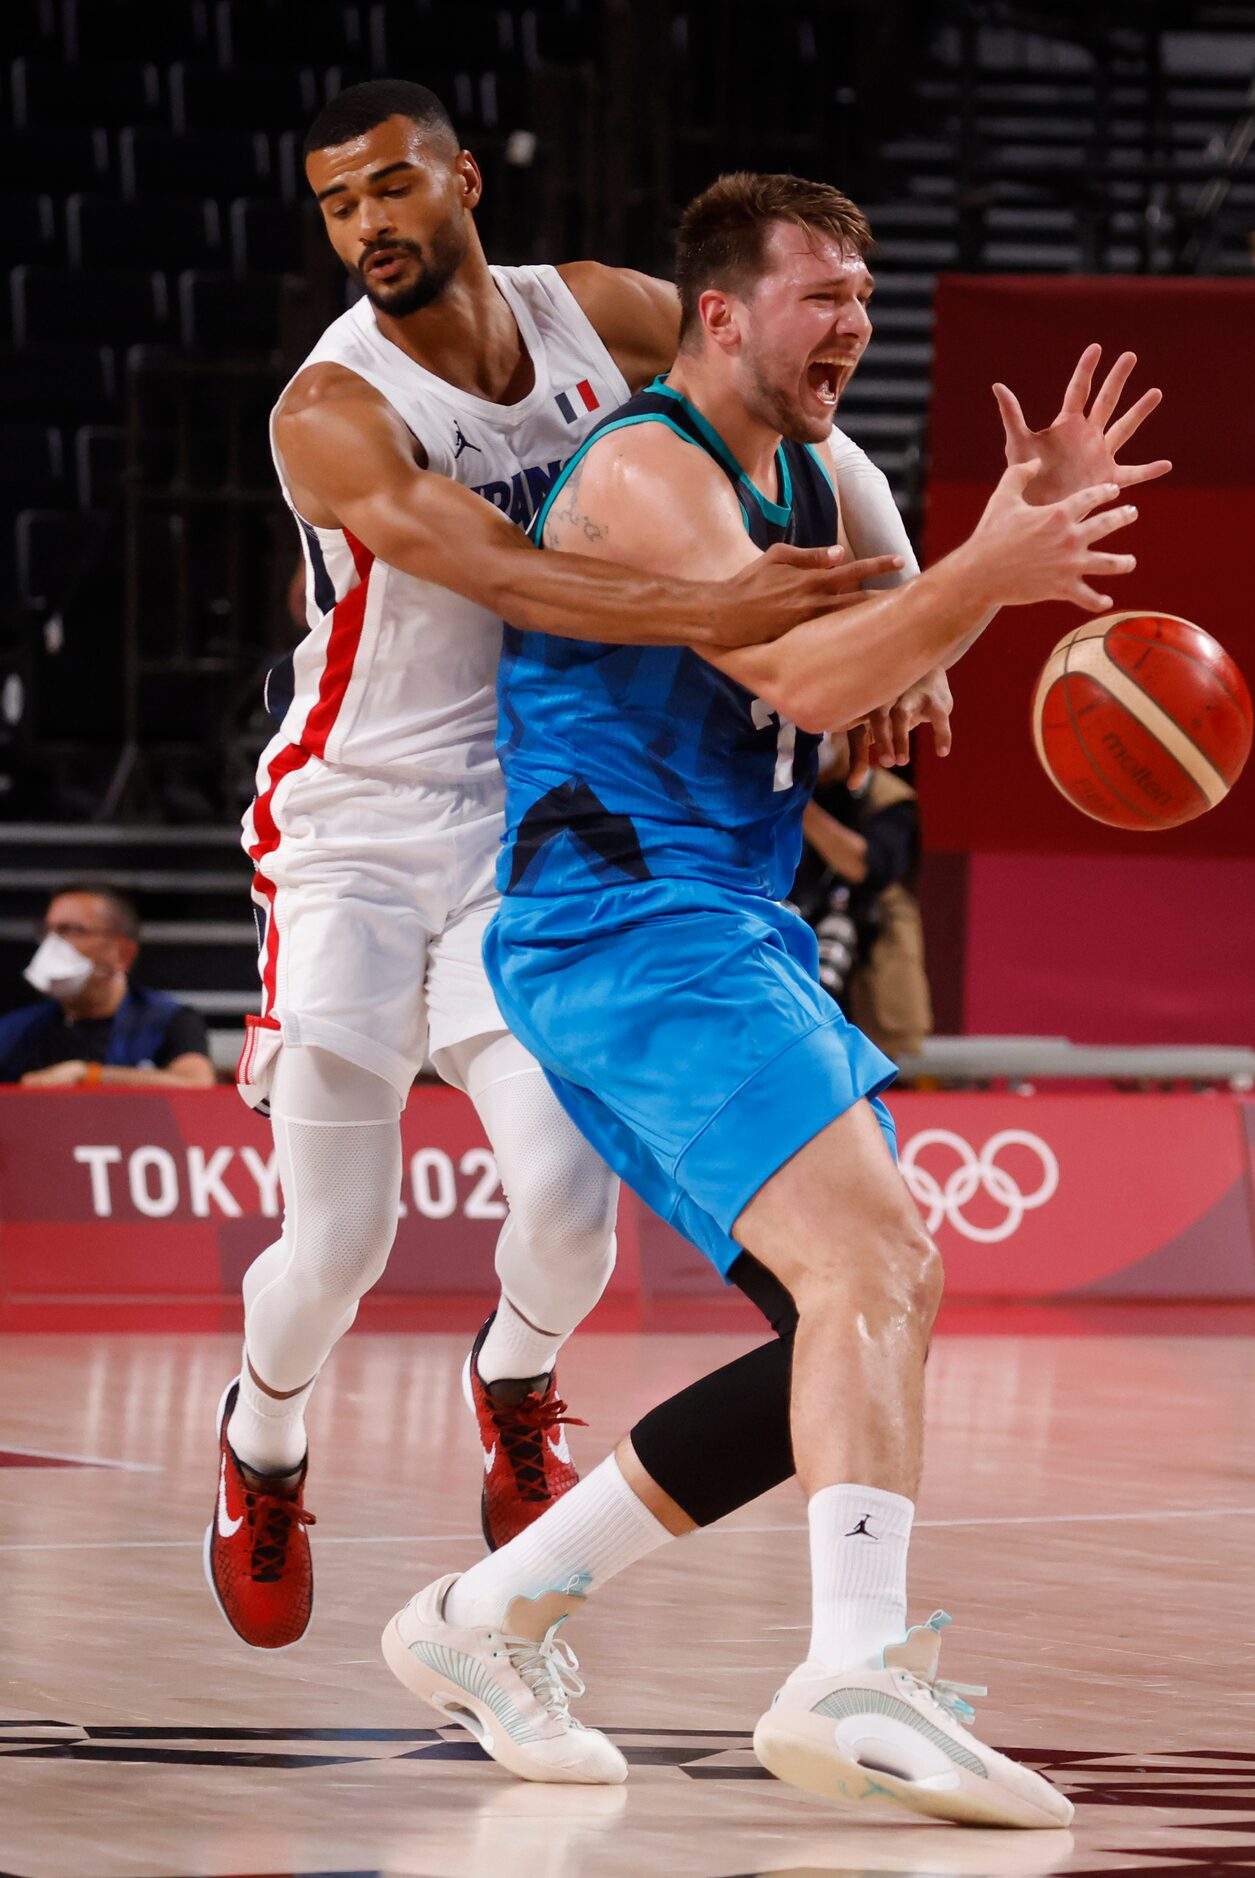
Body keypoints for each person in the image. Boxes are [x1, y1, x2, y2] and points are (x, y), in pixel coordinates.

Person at [382, 171, 1168, 1822]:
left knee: (843, 1317)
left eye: (869, 296)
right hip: (624, 922)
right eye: (824, 294)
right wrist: (972, 576)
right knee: (874, 1263)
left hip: (712, 916)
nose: (855, 326)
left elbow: (845, 677)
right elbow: (798, 673)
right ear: (721, 314)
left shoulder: (796, 476)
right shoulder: (652, 466)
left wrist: (925, 649)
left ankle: (488, 1609)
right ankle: (850, 1668)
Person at [208, 80, 906, 1654]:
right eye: (337, 206)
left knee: (572, 1219)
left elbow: (800, 408)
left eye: (391, 188)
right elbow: (512, 568)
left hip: (523, 828)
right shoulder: (333, 409)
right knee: (337, 1247)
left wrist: (902, 579)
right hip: (354, 829)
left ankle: (514, 1383)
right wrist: (722, 615)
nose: (369, 226)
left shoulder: (595, 310)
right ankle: (262, 1443)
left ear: (462, 180)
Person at [793, 731, 932, 1060]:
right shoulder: (778, 789)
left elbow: (867, 866)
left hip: (868, 961)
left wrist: (800, 807)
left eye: (828, 734)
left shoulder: (890, 798)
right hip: (796, 934)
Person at [0, 883, 215, 1089]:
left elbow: (196, 1084)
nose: (52, 944)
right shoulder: (18, 1028)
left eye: (72, 930)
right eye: (48, 931)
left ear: (123, 954)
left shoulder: (169, 1021)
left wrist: (88, 1075)